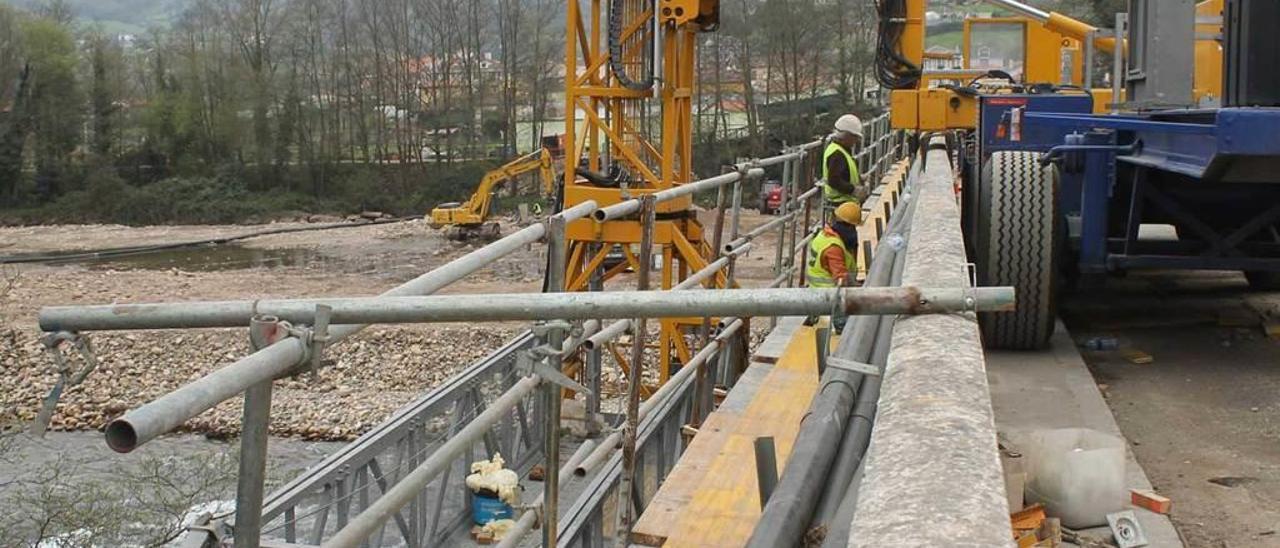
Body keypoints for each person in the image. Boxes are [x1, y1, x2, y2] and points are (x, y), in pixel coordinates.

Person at [806, 202, 863, 332]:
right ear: (849, 226)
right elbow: (841, 280)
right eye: (853, 227)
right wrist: (858, 289)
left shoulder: (824, 235)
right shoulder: (833, 247)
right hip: (830, 298)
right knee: (854, 327)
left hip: (818, 292)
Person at [822, 114, 865, 210]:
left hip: (843, 204)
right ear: (846, 135)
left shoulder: (840, 150)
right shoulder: (837, 154)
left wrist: (859, 179)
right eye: (854, 137)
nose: (856, 140)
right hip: (841, 205)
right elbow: (834, 180)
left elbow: (843, 173)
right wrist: (854, 190)